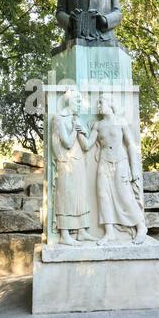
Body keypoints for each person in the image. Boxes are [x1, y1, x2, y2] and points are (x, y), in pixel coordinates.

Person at [76, 95, 147, 245]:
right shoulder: (98, 125)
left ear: (110, 104)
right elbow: (88, 145)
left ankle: (141, 227)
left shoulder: (121, 122)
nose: (99, 106)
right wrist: (80, 131)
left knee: (125, 196)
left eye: (101, 102)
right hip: (104, 162)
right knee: (103, 196)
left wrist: (134, 169)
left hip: (120, 162)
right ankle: (109, 233)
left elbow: (131, 145)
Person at [52, 89, 97, 246]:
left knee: (80, 195)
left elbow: (85, 145)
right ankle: (64, 234)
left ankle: (81, 232)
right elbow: (67, 142)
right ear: (69, 100)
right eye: (77, 100)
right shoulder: (59, 118)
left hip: (78, 161)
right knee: (66, 196)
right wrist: (75, 130)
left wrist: (83, 130)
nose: (79, 103)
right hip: (66, 163)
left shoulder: (76, 118)